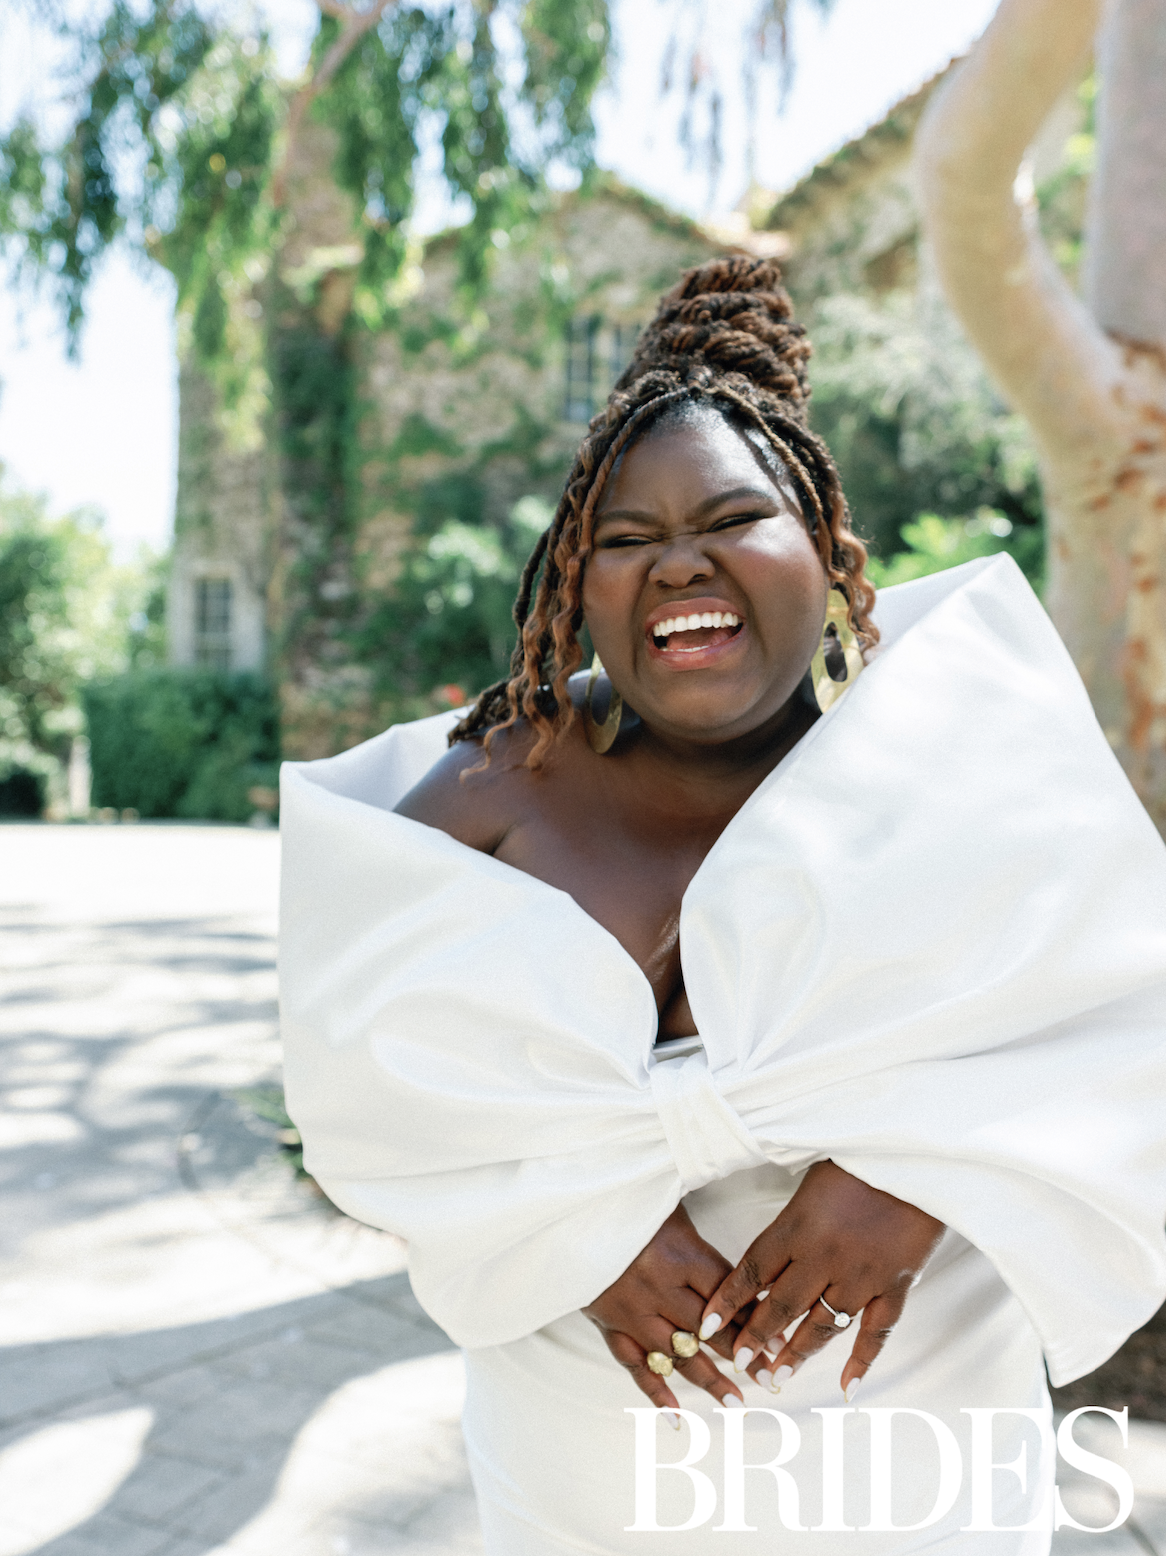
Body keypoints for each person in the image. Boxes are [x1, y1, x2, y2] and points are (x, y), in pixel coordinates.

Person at [279, 258, 1166, 1553]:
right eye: (624, 540)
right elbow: (361, 1072)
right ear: (572, 583)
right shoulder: (495, 786)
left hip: (918, 1419)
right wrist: (576, 1218)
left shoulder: (956, 757)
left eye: (731, 518)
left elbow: (1118, 1015)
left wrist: (906, 1183)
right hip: (598, 1431)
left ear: (822, 536)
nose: (676, 565)